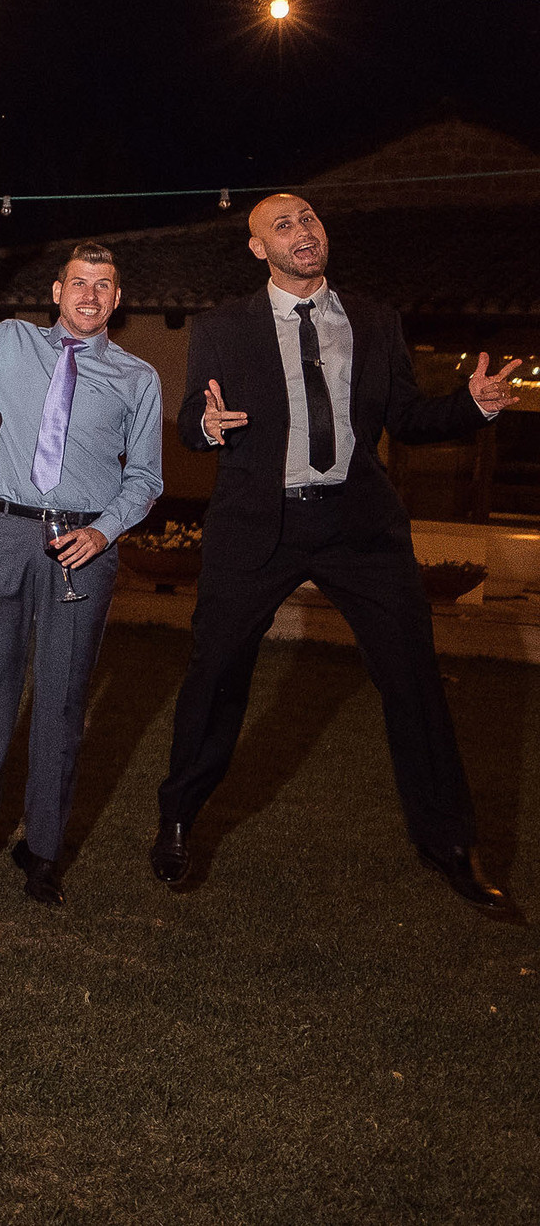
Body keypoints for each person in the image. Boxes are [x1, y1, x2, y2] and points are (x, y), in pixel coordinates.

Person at [158, 193, 523, 911]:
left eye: (310, 219)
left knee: (413, 677)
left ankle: (449, 843)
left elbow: (407, 417)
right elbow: (195, 417)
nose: (303, 231)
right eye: (283, 224)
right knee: (216, 671)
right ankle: (177, 818)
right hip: (257, 524)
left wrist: (472, 405)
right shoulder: (222, 325)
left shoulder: (375, 319)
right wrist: (204, 426)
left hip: (359, 526)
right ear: (258, 248)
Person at [0, 210, 164, 904]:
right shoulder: (8, 341)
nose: (90, 295)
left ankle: (44, 852)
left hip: (82, 546)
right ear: (57, 291)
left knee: (61, 702)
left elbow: (146, 476)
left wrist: (105, 532)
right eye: (79, 282)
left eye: (104, 285)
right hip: (2, 532)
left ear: (117, 298)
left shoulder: (138, 377)